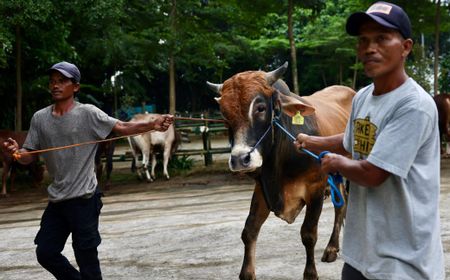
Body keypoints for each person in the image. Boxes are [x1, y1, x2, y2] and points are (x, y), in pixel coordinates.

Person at [294, 2, 445, 280]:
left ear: (406, 47)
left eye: (382, 38)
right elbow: (352, 142)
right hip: (360, 254)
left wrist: (333, 163)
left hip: (402, 261)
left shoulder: (413, 105)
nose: (369, 48)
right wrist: (313, 142)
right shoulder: (363, 96)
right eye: (363, 40)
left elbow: (374, 173)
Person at [2, 61, 173, 280]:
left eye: (62, 81)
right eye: (52, 81)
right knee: (45, 252)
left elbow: (121, 127)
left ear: (75, 87)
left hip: (84, 199)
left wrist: (152, 124)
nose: (55, 85)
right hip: (57, 201)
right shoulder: (40, 118)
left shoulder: (88, 113)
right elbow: (29, 157)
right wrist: (18, 153)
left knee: (87, 260)